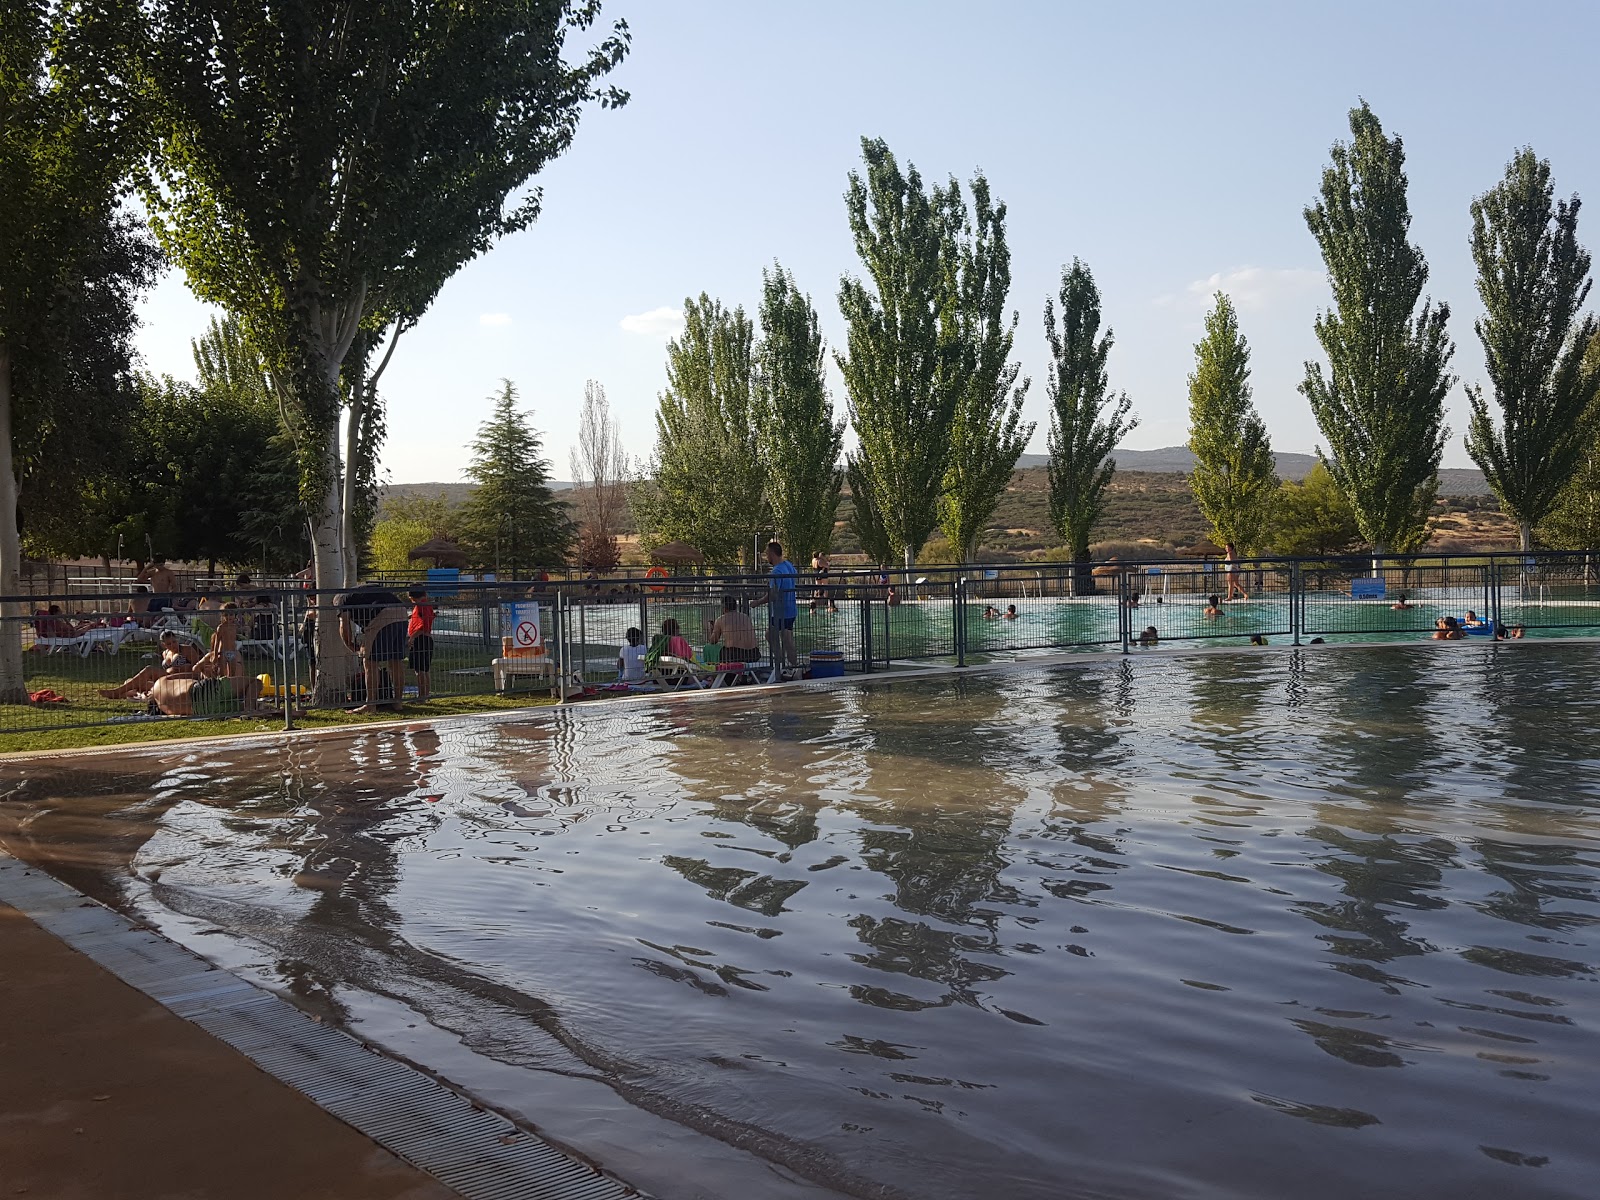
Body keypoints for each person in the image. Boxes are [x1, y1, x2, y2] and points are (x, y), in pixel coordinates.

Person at [336, 585, 409, 714]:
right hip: (402, 612)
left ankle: (370, 704)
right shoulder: (359, 593)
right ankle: (398, 701)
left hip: (382, 614)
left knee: (370, 662)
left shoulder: (342, 600)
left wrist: (350, 645)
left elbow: (344, 625)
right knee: (396, 660)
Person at [98, 631, 200, 699]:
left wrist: (181, 668)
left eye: (174, 642)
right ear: (163, 645)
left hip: (181, 679)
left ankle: (117, 692)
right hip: (166, 680)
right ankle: (123, 694)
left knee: (149, 670)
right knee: (130, 681)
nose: (173, 645)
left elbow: (197, 669)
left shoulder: (187, 649)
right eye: (169, 644)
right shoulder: (165, 653)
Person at [149, 671, 265, 718]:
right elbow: (193, 674)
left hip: (203, 710)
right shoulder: (159, 682)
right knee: (255, 682)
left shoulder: (165, 708)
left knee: (241, 707)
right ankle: (250, 708)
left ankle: (251, 709)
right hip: (202, 690)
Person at [760, 540, 799, 677]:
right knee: (787, 637)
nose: (766, 557)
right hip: (791, 608)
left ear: (772, 554)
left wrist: (757, 602)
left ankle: (781, 662)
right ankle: (792, 665)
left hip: (780, 612)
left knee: (771, 635)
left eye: (766, 554)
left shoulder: (776, 571)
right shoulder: (788, 565)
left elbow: (773, 594)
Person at [706, 594, 760, 667]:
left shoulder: (720, 619)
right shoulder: (745, 617)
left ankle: (711, 672)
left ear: (724, 608)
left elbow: (713, 641)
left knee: (709, 647)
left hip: (734, 656)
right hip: (753, 654)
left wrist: (710, 629)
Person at [406, 587, 436, 701]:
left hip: (420, 639)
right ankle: (426, 694)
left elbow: (423, 626)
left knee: (419, 670)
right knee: (426, 669)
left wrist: (412, 638)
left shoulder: (420, 606)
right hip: (427, 639)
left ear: (413, 598)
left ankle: (421, 696)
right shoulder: (427, 605)